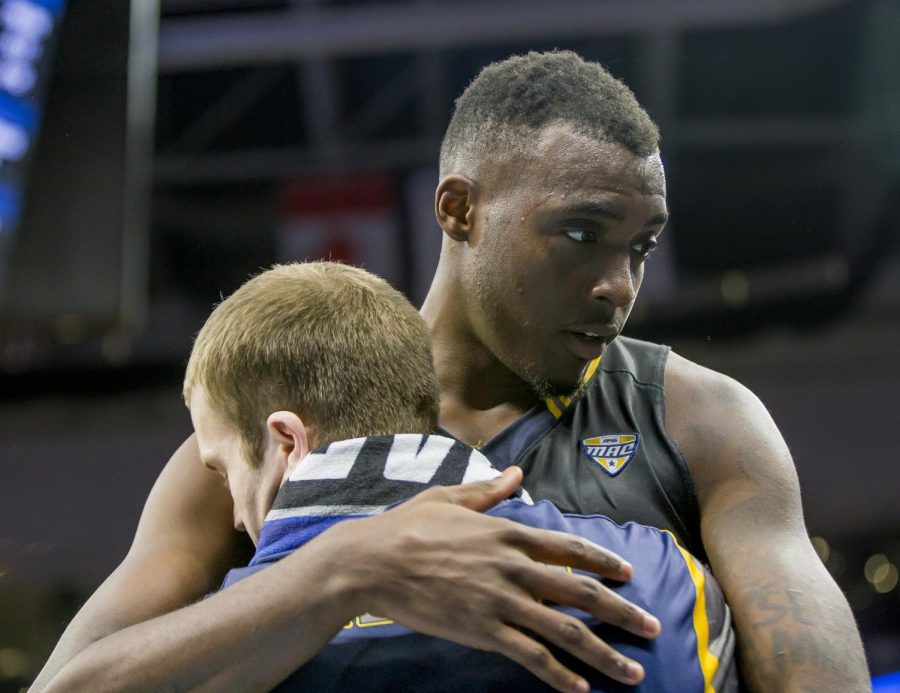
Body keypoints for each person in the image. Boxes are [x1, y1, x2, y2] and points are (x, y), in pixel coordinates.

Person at [33, 51, 868, 692]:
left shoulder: (701, 417)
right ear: (459, 209)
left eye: (641, 247)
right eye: (582, 233)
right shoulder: (269, 418)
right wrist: (344, 567)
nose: (619, 284)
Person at [194, 260, 740, 691]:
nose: (238, 521)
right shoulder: (663, 578)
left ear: (289, 441)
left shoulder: (208, 656)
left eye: (223, 473)